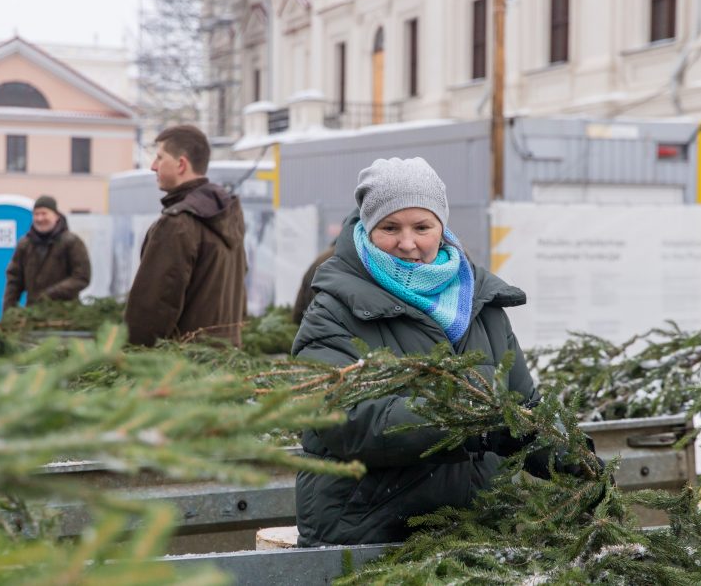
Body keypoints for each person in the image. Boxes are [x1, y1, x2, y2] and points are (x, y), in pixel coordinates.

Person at [292, 157, 562, 547]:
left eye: (422, 227)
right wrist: (471, 423)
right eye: (389, 228)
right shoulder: (333, 310)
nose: (407, 243)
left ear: (442, 227)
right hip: (369, 532)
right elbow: (347, 420)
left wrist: (570, 455)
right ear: (368, 229)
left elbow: (525, 405)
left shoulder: (483, 304)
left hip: (478, 530)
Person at [125, 124, 247, 346]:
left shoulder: (178, 224)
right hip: (225, 363)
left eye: (160, 158)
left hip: (182, 369)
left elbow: (151, 310)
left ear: (181, 164)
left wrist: (131, 360)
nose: (153, 166)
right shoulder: (228, 217)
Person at [2, 195, 91, 312]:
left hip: (66, 312)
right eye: (36, 214)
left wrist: (51, 294)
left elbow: (82, 277)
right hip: (33, 312)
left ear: (56, 216)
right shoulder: (25, 244)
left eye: (44, 214)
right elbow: (14, 280)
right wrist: (8, 314)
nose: (39, 218)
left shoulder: (72, 242)